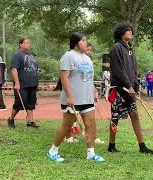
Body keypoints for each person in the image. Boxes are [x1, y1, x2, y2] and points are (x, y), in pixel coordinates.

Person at [47, 32, 105, 163]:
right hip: (72, 100)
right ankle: (53, 151)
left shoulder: (87, 58)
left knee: (91, 125)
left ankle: (91, 153)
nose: (86, 43)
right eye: (83, 40)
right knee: (67, 126)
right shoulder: (68, 56)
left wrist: (94, 90)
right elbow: (64, 78)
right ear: (76, 42)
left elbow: (88, 77)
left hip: (87, 99)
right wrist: (70, 96)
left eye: (86, 40)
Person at [107, 22, 153, 154]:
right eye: (126, 30)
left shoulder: (129, 49)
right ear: (121, 33)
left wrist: (135, 86)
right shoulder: (117, 48)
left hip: (130, 90)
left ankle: (142, 146)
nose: (130, 32)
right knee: (115, 117)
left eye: (131, 30)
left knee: (135, 115)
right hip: (119, 89)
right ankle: (111, 145)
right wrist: (128, 86)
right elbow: (118, 70)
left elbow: (134, 70)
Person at [7, 38, 39, 128]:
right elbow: (13, 69)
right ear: (20, 44)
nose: (28, 44)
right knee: (19, 103)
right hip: (22, 83)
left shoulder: (32, 55)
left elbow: (35, 66)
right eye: (26, 42)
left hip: (32, 83)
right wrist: (17, 83)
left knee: (31, 103)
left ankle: (30, 122)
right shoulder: (17, 55)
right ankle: (11, 119)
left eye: (29, 42)